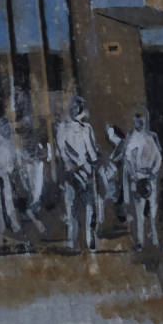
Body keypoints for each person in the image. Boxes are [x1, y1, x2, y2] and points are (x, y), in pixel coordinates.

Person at [53, 96, 101, 251]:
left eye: (78, 107)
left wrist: (92, 163)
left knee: (89, 207)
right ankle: (72, 241)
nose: (76, 110)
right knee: (72, 206)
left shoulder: (86, 128)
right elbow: (62, 151)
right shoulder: (62, 128)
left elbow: (92, 151)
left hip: (85, 172)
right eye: (73, 107)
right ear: (70, 108)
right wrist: (77, 165)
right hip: (72, 172)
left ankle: (88, 238)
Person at [120, 111, 163, 251]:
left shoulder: (151, 137)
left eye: (142, 121)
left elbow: (158, 157)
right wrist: (133, 175)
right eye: (138, 121)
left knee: (152, 210)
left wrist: (153, 172)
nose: (140, 124)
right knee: (139, 213)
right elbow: (127, 159)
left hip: (150, 178)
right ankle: (139, 241)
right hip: (137, 177)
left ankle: (154, 239)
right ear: (134, 122)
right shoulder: (131, 138)